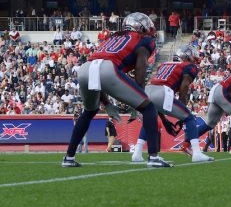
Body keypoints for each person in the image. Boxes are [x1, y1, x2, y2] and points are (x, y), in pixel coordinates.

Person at [62, 12, 170, 168]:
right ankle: (153, 157)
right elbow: (140, 73)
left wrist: (106, 104)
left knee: (89, 111)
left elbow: (96, 74)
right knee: (149, 107)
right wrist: (138, 103)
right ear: (140, 26)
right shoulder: (144, 40)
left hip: (85, 69)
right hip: (107, 69)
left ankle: (69, 158)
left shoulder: (112, 38)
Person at [132, 46, 213, 163]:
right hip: (161, 92)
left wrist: (164, 120)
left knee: (150, 119)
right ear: (187, 56)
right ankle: (196, 153)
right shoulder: (189, 66)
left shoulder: (165, 64)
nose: (194, 60)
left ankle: (137, 153)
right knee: (189, 117)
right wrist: (183, 109)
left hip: (147, 90)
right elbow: (184, 87)